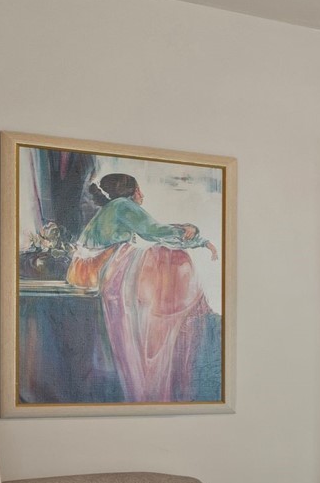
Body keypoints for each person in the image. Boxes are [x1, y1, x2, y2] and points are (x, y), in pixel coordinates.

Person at [66, 172, 219, 402]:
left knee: (159, 255)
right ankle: (169, 310)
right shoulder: (122, 205)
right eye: (138, 189)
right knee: (169, 257)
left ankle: (167, 308)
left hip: (87, 269)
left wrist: (185, 229)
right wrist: (199, 239)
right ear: (130, 192)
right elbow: (154, 231)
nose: (142, 194)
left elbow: (153, 229)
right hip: (96, 268)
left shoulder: (113, 208)